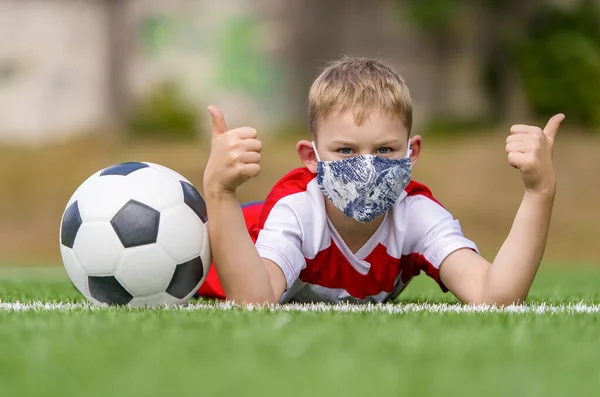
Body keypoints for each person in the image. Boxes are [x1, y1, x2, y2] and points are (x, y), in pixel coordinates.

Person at [198, 56, 564, 305]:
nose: (367, 168)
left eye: (385, 150)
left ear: (412, 151)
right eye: (345, 151)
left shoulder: (417, 215)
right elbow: (254, 300)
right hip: (230, 235)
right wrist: (220, 192)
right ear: (310, 158)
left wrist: (539, 192)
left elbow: (493, 296)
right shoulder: (295, 211)